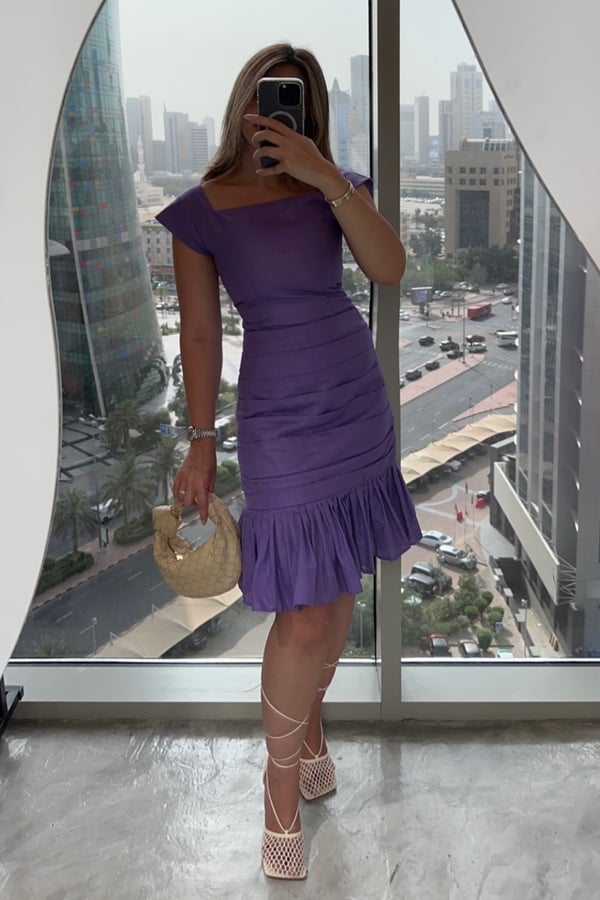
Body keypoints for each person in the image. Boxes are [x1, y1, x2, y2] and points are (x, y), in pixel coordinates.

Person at [156, 42, 421, 881]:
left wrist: (324, 174)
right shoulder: (199, 212)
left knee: (336, 592)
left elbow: (388, 268)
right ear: (245, 106)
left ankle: (308, 730)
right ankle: (277, 792)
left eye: (298, 100)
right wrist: (201, 441)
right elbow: (202, 335)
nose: (281, 111)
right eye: (273, 97)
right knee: (302, 611)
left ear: (312, 115)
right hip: (278, 415)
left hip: (354, 403)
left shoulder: (334, 188)